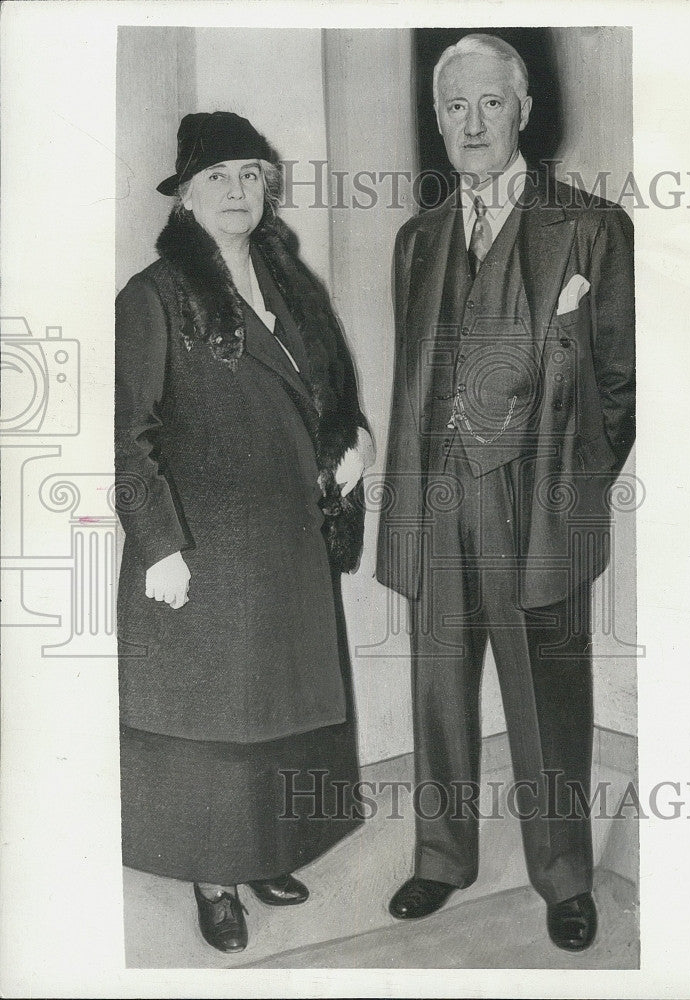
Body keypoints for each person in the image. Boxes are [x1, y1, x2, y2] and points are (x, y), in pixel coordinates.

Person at [376, 34, 635, 950]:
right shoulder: (417, 240)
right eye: (455, 107)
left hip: (537, 504)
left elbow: (620, 385)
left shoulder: (592, 227)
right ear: (438, 119)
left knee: (549, 695)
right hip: (439, 501)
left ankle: (564, 876)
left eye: (491, 103)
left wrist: (570, 482)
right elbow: (414, 383)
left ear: (523, 111)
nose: (472, 124)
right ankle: (442, 858)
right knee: (439, 692)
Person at [115, 111, 374, 954]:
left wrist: (355, 441)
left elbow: (330, 395)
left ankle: (268, 853)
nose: (238, 192)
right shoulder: (154, 296)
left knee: (282, 713)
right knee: (218, 725)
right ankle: (214, 881)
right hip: (207, 550)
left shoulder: (291, 285)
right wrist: (160, 546)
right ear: (186, 198)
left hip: (291, 543)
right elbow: (130, 437)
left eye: (252, 176)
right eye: (218, 177)